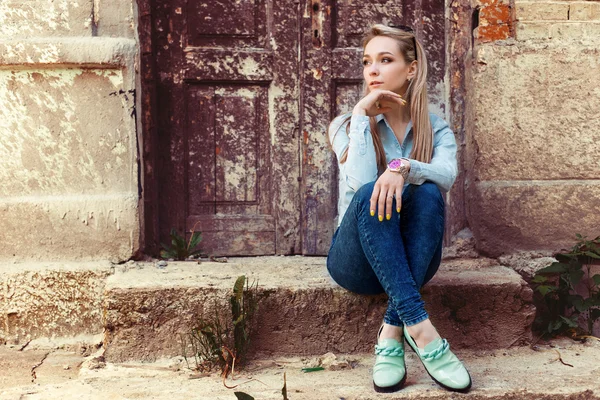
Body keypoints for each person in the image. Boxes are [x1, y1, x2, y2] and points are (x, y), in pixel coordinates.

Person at [326, 24, 472, 393]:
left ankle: (392, 333)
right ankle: (422, 331)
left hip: (412, 260)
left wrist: (404, 168)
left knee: (427, 192)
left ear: (411, 69)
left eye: (385, 60)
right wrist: (362, 114)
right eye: (367, 62)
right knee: (367, 194)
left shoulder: (436, 130)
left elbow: (446, 176)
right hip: (355, 263)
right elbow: (360, 185)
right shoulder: (346, 124)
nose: (372, 70)